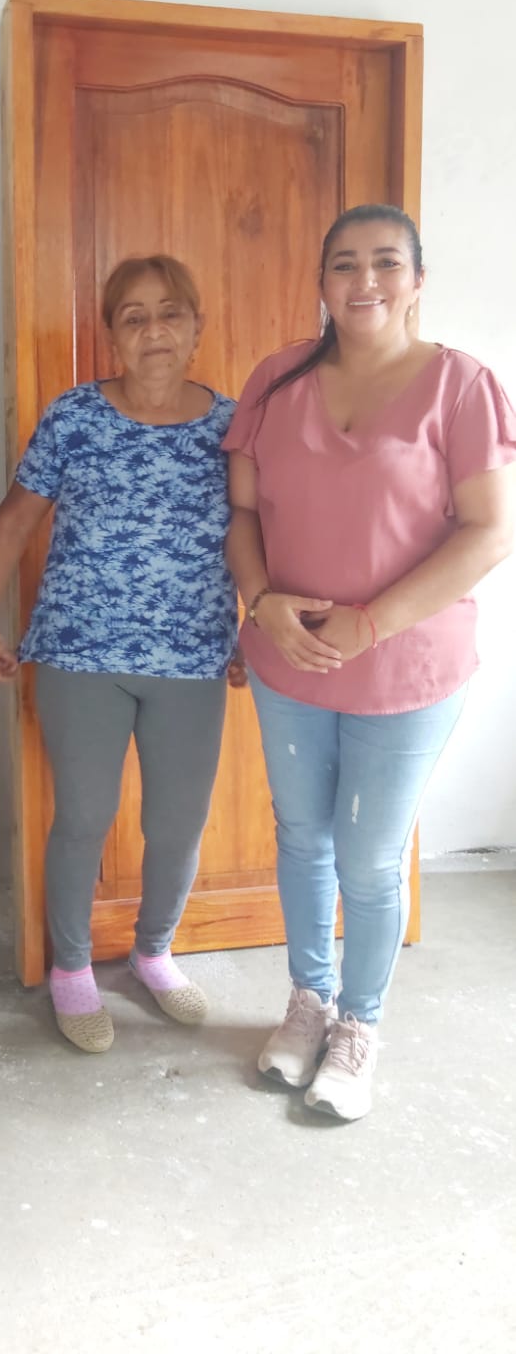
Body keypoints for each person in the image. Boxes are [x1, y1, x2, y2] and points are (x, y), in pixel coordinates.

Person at [222, 204, 515, 1121]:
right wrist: (260, 600)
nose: (365, 281)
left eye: (386, 262)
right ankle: (308, 1001)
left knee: (371, 858)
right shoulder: (274, 382)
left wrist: (373, 623)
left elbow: (490, 531)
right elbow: (242, 514)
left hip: (405, 667)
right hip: (290, 658)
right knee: (301, 836)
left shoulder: (461, 387)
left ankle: (359, 1024)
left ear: (417, 280)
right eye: (344, 264)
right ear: (321, 283)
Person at [0, 255, 240, 1053]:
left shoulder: (233, 427)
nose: (154, 330)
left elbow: (261, 530)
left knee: (178, 823)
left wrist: (257, 627)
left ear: (196, 326)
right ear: (112, 335)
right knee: (84, 816)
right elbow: (16, 519)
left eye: (170, 312)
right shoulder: (75, 416)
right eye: (133, 316)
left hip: (192, 655)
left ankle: (154, 954)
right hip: (80, 653)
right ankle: (72, 969)